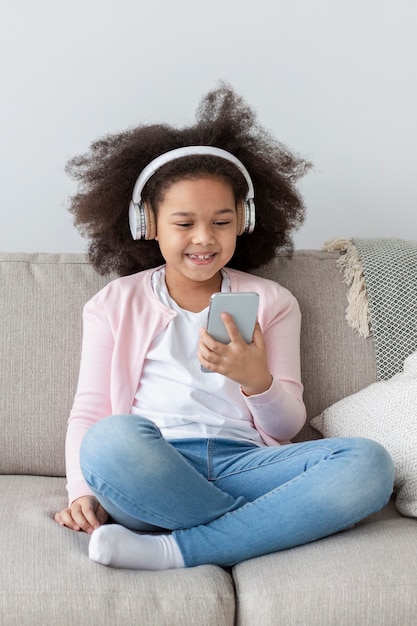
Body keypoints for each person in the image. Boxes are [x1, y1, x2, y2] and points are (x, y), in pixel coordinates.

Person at [54, 84, 394, 570]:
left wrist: (257, 381)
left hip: (246, 465)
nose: (203, 238)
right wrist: (82, 490)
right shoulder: (114, 302)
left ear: (244, 220)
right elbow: (89, 410)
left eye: (220, 221)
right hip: (154, 469)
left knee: (369, 463)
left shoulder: (274, 302)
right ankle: (260, 528)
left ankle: (176, 550)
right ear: (146, 223)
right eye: (183, 222)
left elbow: (287, 427)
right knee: (110, 439)